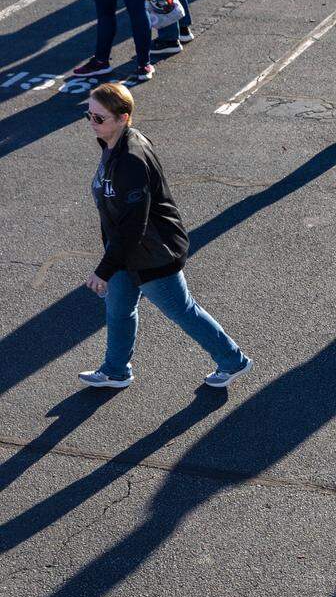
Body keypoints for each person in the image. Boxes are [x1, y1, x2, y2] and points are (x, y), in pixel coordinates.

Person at [79, 83, 251, 392]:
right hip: (124, 251)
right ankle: (116, 371)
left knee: (183, 311)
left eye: (99, 118)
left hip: (151, 253)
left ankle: (233, 361)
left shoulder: (131, 157)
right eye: (88, 115)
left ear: (123, 117)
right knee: (118, 310)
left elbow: (135, 224)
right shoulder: (112, 143)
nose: (92, 123)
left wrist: (103, 269)